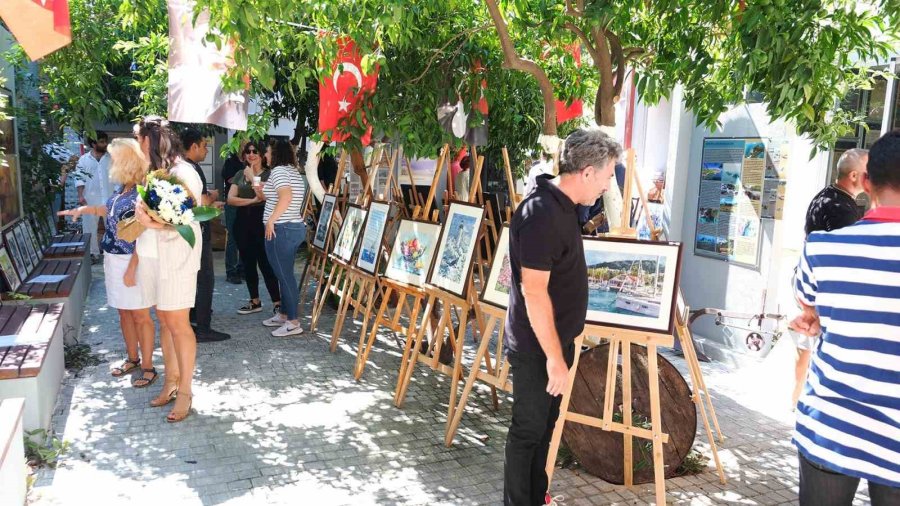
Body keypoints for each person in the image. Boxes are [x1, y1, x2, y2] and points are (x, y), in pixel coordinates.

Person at [503, 129, 622, 506]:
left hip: (554, 345)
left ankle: (536, 498)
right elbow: (533, 291)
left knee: (543, 430)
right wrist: (555, 358)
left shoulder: (563, 208)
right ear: (587, 172)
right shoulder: (541, 214)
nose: (607, 186)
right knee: (528, 432)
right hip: (538, 349)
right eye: (607, 177)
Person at [789, 132, 900, 505]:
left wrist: (824, 318)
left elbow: (808, 305)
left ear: (867, 182)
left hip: (832, 426)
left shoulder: (823, 247)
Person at [58, 138, 158, 388]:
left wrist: (133, 267)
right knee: (124, 312)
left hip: (132, 260)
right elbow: (109, 209)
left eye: (116, 158)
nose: (111, 162)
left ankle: (148, 366)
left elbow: (145, 235)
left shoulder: (143, 192)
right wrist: (83, 211)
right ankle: (133, 359)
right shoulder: (123, 189)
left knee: (141, 315)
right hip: (113, 258)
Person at [133, 116, 202, 423]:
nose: (137, 145)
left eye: (139, 139)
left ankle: (185, 390)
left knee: (178, 323)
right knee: (164, 320)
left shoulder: (183, 172)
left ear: (150, 141)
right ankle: (171, 382)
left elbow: (186, 218)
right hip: (155, 256)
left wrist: (153, 221)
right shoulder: (155, 172)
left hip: (177, 256)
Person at [789, 148, 868, 407]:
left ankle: (796, 398)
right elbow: (844, 258)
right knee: (811, 346)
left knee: (806, 346)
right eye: (869, 171)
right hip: (819, 289)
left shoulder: (828, 196)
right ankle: (800, 400)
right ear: (855, 175)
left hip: (810, 283)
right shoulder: (839, 208)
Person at [253, 139, 308, 337]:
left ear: (275, 154)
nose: (265, 155)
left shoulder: (278, 172)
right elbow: (277, 196)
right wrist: (262, 190)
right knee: (284, 273)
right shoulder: (291, 171)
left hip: (281, 229)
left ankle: (293, 321)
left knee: (284, 276)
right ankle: (285, 314)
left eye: (267, 151)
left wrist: (271, 221)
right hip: (291, 227)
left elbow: (285, 197)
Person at [181, 128, 231, 343]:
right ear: (193, 146)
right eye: (204, 145)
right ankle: (202, 327)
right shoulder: (193, 169)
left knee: (195, 277)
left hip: (185, 232)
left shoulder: (177, 167)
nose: (207, 149)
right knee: (205, 278)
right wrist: (213, 198)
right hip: (197, 231)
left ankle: (194, 317)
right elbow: (201, 201)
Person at [227, 140, 281, 315]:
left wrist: (252, 178)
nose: (251, 154)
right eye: (248, 151)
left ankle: (277, 301)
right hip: (242, 221)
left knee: (266, 263)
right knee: (248, 263)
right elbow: (231, 199)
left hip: (262, 220)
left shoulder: (269, 175)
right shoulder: (239, 173)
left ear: (262, 154)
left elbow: (263, 196)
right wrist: (251, 201)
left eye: (255, 151)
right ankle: (254, 301)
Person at [75, 131, 112, 263]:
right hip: (90, 198)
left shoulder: (112, 158)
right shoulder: (83, 160)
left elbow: (118, 177)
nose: (105, 144)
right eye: (101, 141)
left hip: (110, 197)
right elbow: (79, 179)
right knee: (89, 226)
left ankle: (112, 252)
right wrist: (80, 196)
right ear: (93, 143)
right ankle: (92, 254)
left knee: (113, 226)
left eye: (105, 141)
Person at [221, 140, 247, 284]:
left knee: (245, 237)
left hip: (246, 203)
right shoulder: (230, 162)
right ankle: (231, 271)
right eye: (243, 144)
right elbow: (230, 179)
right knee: (233, 238)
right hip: (232, 204)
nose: (247, 149)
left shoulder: (249, 161)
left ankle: (242, 269)